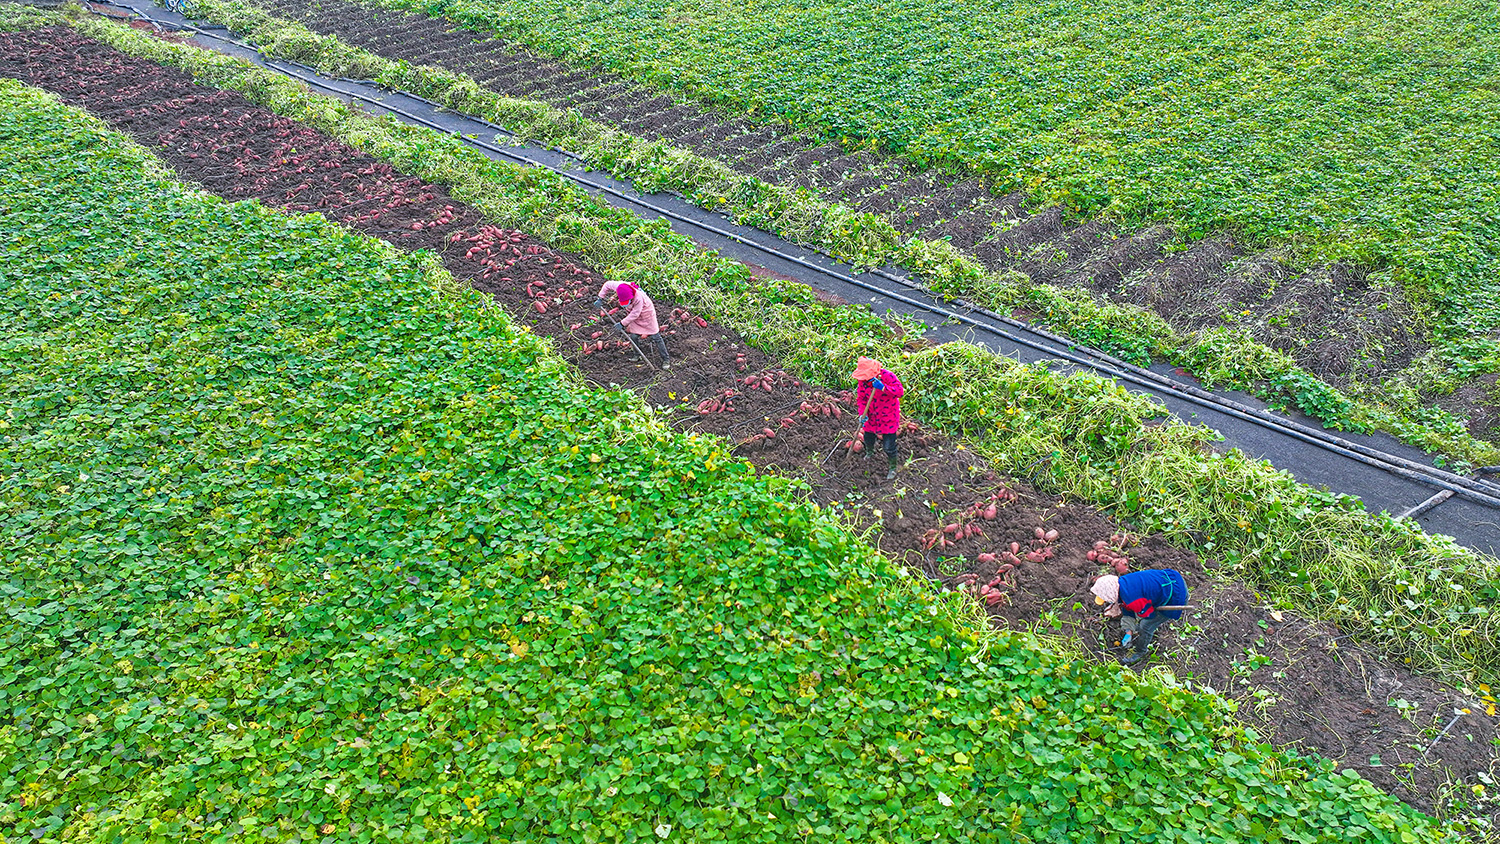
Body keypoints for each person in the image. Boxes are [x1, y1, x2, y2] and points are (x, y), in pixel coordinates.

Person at [1090, 570, 1189, 665]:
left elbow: (1150, 615)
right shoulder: (1122, 582)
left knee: (1145, 626)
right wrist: (1129, 631)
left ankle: (1141, 651)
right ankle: (1137, 633)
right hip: (1172, 577)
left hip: (1176, 595)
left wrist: (1139, 618)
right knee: (1141, 618)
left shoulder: (1133, 600)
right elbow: (1126, 608)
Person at [594, 280, 670, 369]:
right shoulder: (620, 287)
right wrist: (600, 298)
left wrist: (622, 323)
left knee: (656, 337)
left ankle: (666, 359)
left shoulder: (638, 298)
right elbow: (607, 284)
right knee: (634, 336)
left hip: (646, 314)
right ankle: (636, 355)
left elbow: (635, 314)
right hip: (634, 315)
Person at [852, 356, 905, 480]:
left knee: (888, 445)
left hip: (888, 417)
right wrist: (862, 414)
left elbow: (899, 392)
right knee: (868, 438)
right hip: (871, 416)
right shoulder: (863, 382)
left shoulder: (887, 376)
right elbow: (861, 399)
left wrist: (883, 388)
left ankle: (893, 466)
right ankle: (869, 453)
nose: (864, 378)